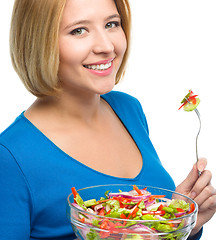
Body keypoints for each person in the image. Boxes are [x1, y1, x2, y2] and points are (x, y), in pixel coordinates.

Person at [0, 0, 215, 239]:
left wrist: (177, 224)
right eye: (78, 30)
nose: (106, 46)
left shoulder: (128, 109)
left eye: (112, 24)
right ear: (38, 42)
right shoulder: (9, 157)